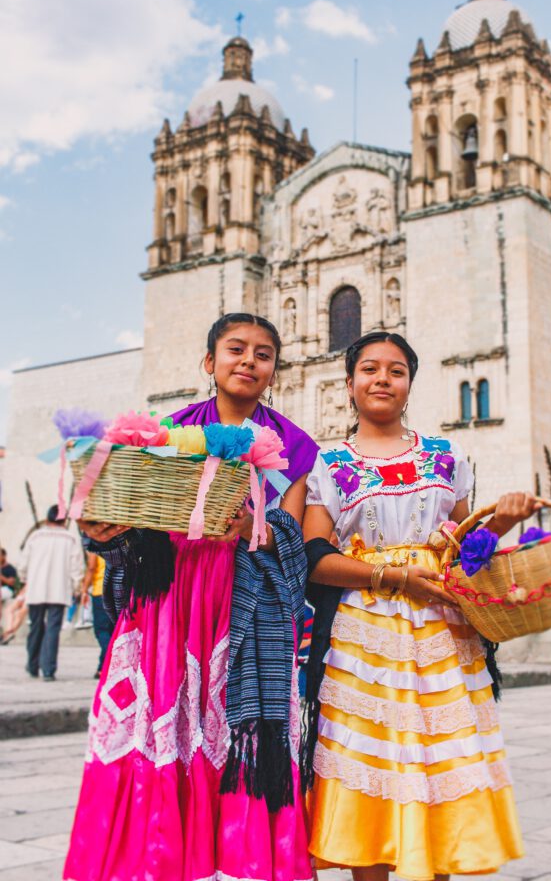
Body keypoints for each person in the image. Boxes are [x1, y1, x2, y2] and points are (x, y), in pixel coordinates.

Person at [64, 313, 318, 881]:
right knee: (162, 726)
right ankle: (155, 860)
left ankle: (241, 860)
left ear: (275, 371)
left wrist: (253, 523)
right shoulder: (166, 434)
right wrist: (105, 533)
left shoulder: (295, 447)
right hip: (170, 602)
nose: (249, 361)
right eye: (236, 349)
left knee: (233, 738)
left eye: (263, 353)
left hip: (241, 605)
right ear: (210, 362)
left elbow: (291, 537)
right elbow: (133, 520)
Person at [302, 331, 536, 880]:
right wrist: (396, 576)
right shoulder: (329, 464)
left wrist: (500, 522)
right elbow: (315, 558)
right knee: (372, 770)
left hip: (442, 634)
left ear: (410, 384)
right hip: (365, 640)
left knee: (440, 772)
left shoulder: (445, 457)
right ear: (350, 383)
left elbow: (466, 553)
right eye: (369, 369)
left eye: (396, 370)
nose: (382, 379)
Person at [16, 506, 83, 680]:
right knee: (53, 629)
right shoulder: (70, 539)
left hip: (36, 589)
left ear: (47, 519)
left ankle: (32, 665)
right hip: (59, 590)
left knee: (35, 627)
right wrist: (77, 587)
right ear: (64, 520)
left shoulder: (35, 536)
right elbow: (77, 568)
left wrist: (24, 580)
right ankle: (48, 670)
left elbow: (23, 564)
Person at [80, 549, 114, 677]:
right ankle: (102, 668)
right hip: (118, 591)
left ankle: (109, 659)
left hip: (101, 591)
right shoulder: (122, 540)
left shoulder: (98, 543)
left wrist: (84, 589)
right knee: (112, 630)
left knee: (101, 631)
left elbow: (91, 567)